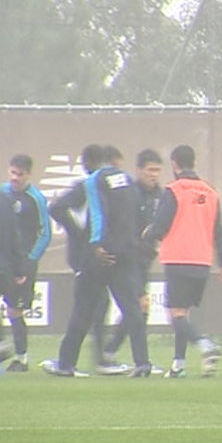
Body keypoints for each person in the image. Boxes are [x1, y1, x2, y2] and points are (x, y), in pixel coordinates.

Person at [45, 146, 153, 378]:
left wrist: (87, 239)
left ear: (89, 163)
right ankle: (143, 363)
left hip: (99, 256)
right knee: (132, 310)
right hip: (125, 255)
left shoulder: (92, 182)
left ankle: (66, 364)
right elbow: (138, 216)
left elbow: (91, 211)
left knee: (82, 311)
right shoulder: (127, 181)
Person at [143, 145, 222, 378]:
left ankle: (205, 345)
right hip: (202, 261)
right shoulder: (210, 192)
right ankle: (178, 365)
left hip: (178, 258)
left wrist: (147, 234)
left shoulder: (174, 190)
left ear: (174, 164)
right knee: (183, 313)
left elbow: (161, 226)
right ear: (193, 162)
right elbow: (219, 231)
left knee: (175, 314)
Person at [46, 145, 112, 376]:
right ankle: (70, 362)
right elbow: (56, 207)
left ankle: (93, 359)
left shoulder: (101, 187)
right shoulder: (87, 187)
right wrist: (78, 233)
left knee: (98, 305)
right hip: (85, 258)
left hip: (95, 256)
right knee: (86, 309)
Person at [99, 148, 163, 373]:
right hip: (129, 257)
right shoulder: (130, 192)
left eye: (157, 170)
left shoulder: (160, 196)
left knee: (138, 308)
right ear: (138, 170)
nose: (154, 175)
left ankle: (111, 352)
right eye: (150, 170)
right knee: (138, 306)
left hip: (145, 258)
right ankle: (134, 359)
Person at [1, 155, 51, 372]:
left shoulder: (35, 199)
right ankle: (3, 346)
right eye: (12, 172)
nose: (15, 178)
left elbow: (45, 232)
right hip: (4, 260)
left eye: (20, 174)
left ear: (29, 175)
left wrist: (30, 260)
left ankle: (21, 358)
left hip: (22, 263)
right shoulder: (3, 193)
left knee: (15, 310)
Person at [0, 185, 28, 370]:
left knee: (14, 309)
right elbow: (14, 235)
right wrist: (19, 268)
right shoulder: (4, 198)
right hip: (5, 267)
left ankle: (5, 346)